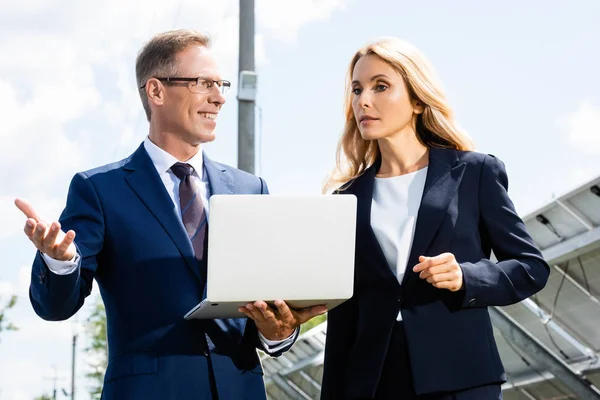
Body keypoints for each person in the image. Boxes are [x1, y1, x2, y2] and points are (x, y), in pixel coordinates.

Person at [15, 29, 325, 400]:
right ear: (156, 91)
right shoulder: (99, 189)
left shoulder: (250, 189)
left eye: (220, 83)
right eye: (204, 83)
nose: (220, 97)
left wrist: (279, 332)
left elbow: (265, 315)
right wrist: (59, 262)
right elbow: (55, 307)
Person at [320, 37, 549, 400]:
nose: (364, 100)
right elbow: (345, 316)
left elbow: (530, 268)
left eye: (381, 87)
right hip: (373, 382)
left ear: (416, 100)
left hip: (460, 377)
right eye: (357, 89)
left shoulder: (474, 173)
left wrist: (466, 276)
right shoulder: (345, 199)